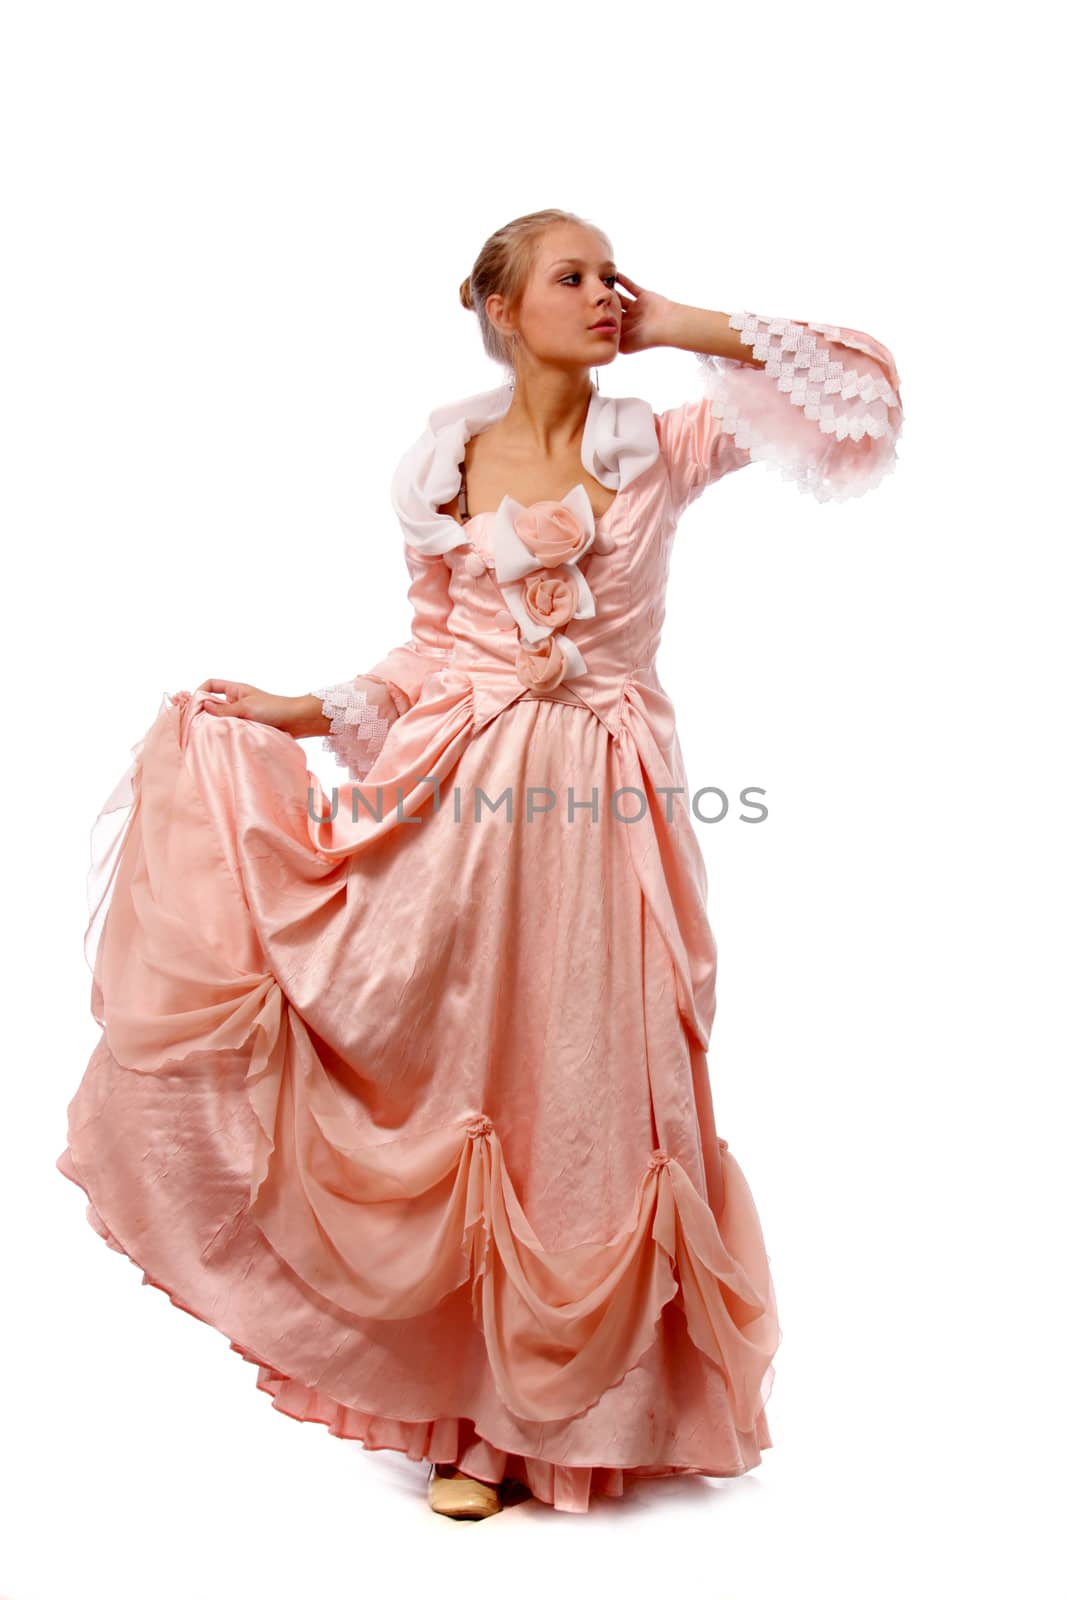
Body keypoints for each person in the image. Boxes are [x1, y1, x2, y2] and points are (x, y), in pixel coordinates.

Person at [57, 207, 903, 1521]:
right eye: (576, 275)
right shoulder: (444, 467)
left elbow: (865, 397)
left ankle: (574, 1411)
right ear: (505, 308)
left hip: (605, 809)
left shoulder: (661, 446)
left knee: (589, 1088)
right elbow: (433, 655)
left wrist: (678, 323)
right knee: (471, 1080)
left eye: (611, 272)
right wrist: (302, 708)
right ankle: (468, 1412)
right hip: (463, 806)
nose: (603, 291)